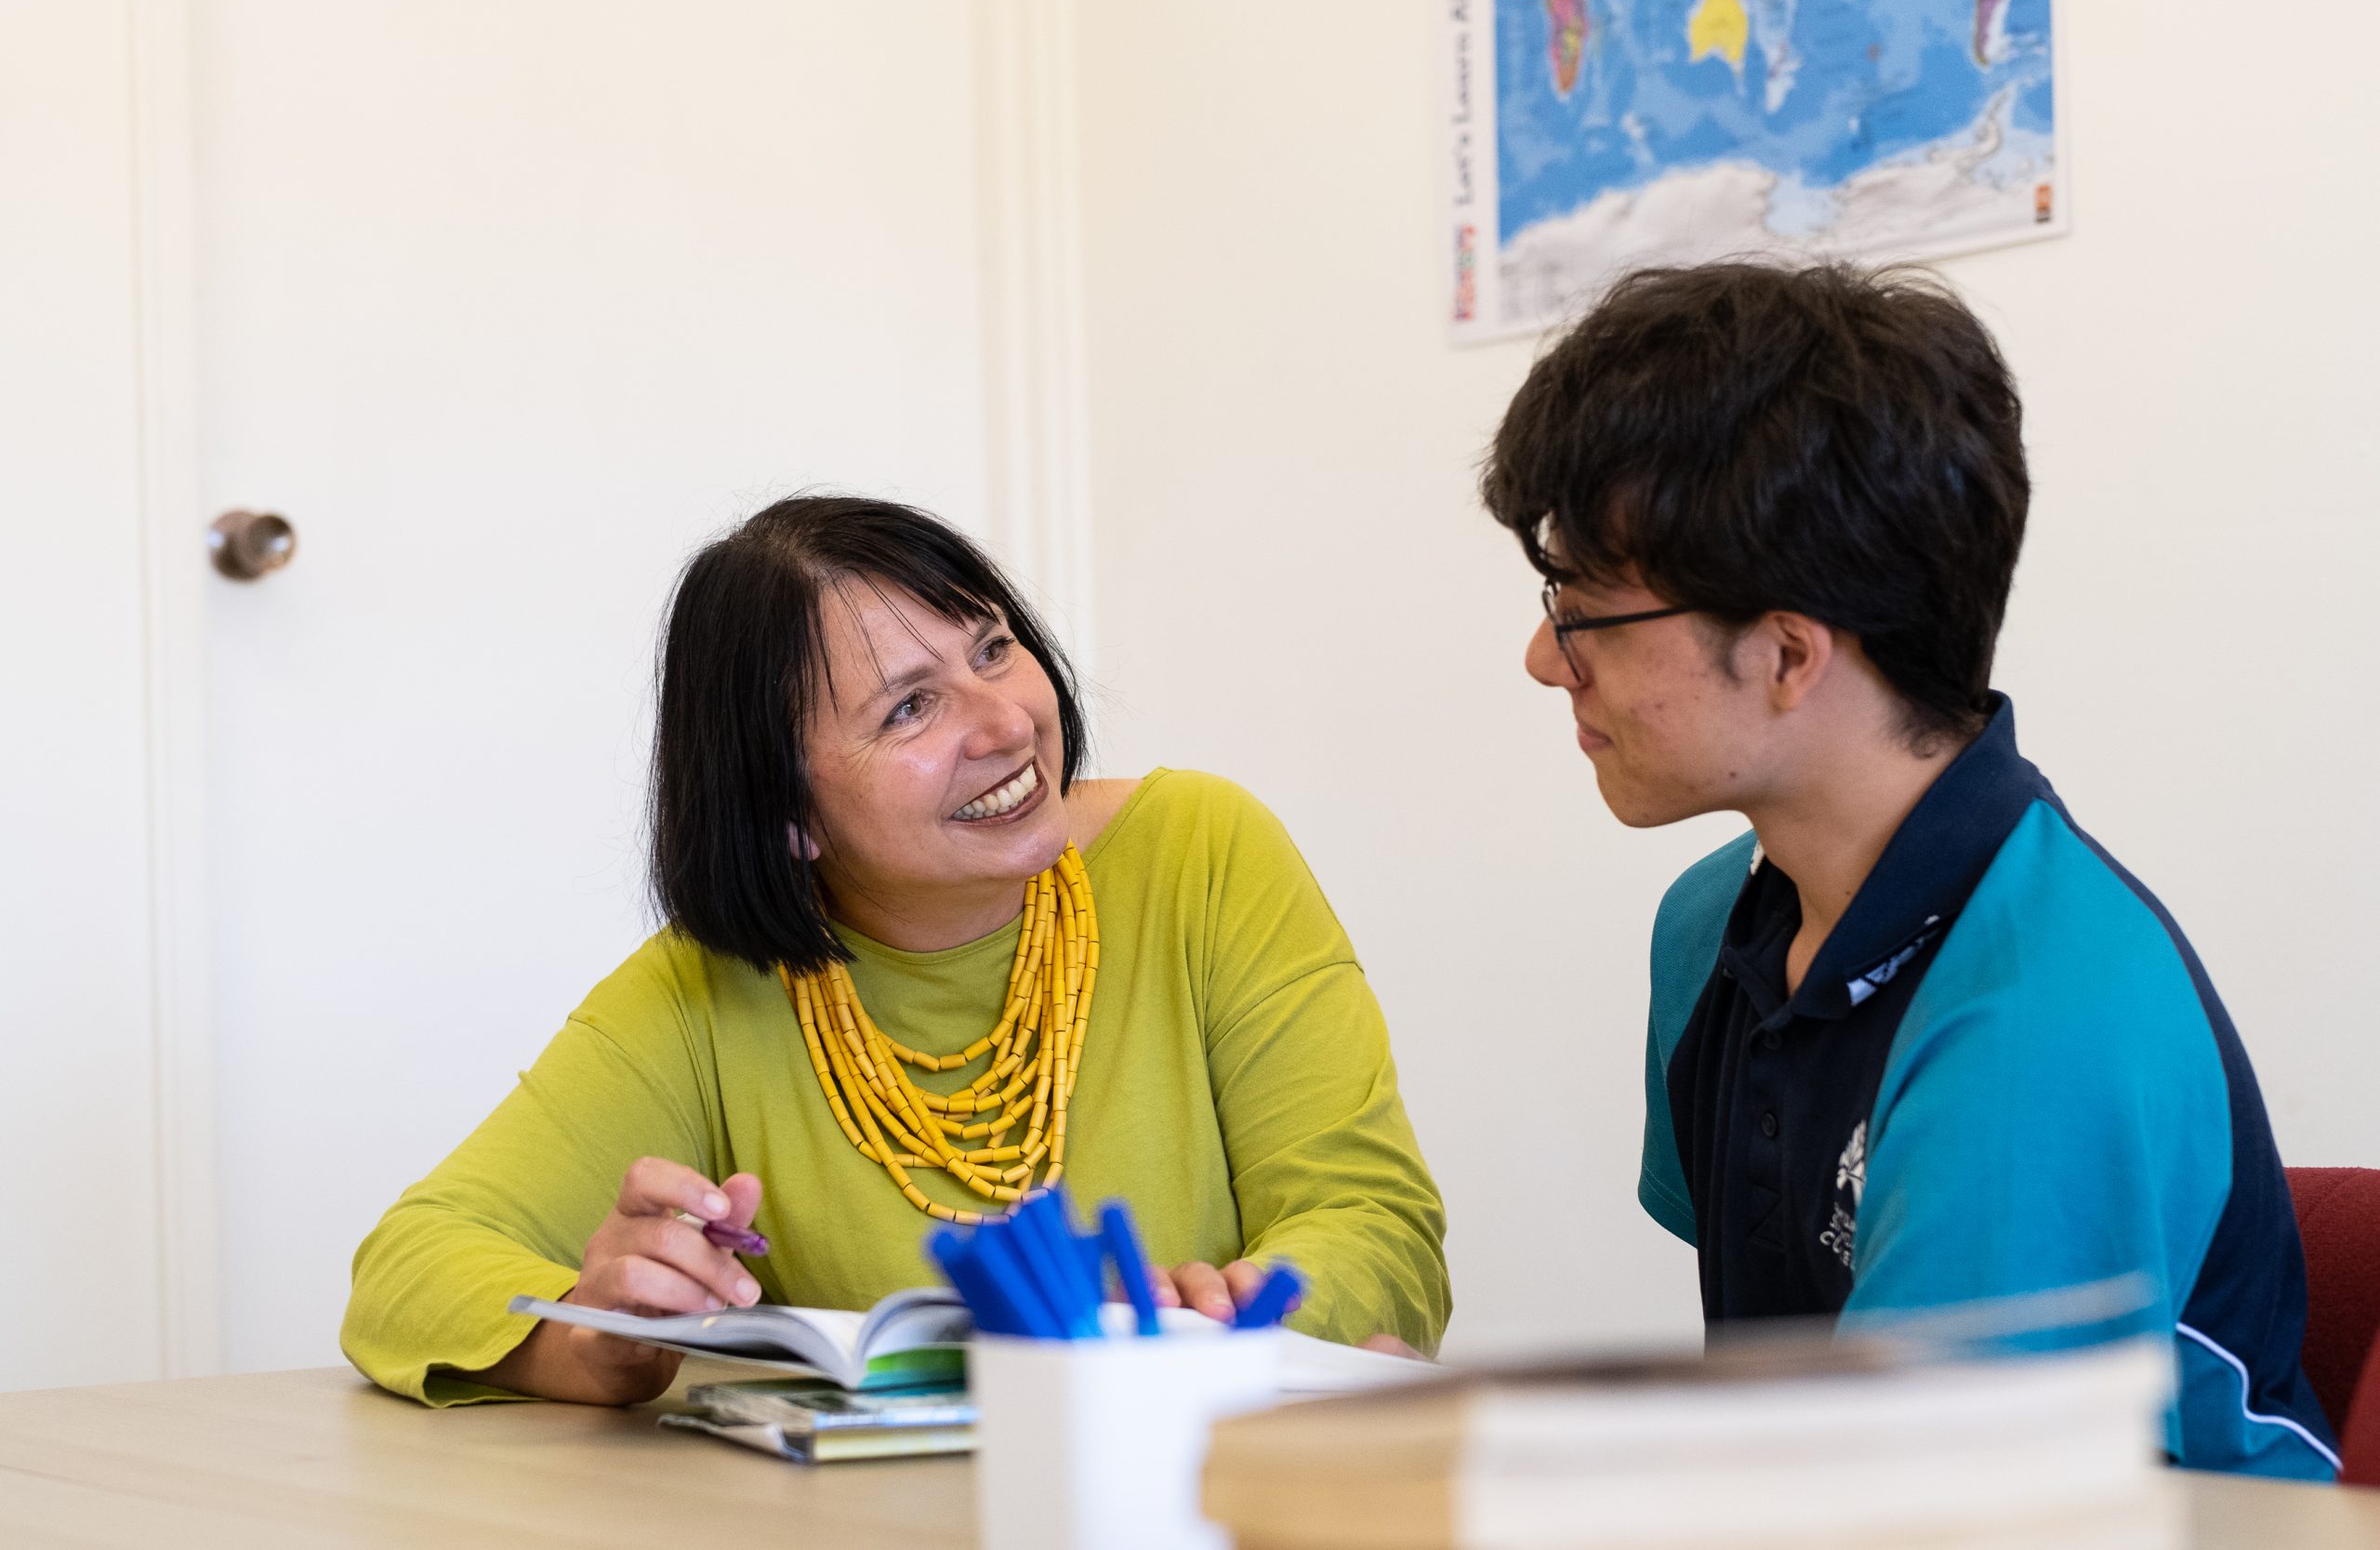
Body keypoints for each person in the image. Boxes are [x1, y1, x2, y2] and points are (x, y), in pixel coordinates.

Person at [1481, 261, 2336, 1479]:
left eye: (1582, 610)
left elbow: (1928, 1505)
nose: (1541, 658)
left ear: (1787, 654)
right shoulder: (1709, 924)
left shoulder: (2038, 1026)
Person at [342, 494, 1448, 1406]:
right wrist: (599, 1344)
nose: (1008, 720)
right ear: (789, 815)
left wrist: (1231, 1321)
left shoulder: (1202, 851)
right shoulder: (705, 988)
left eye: (994, 648)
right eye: (911, 708)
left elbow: (1377, 1223)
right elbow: (410, 1262)